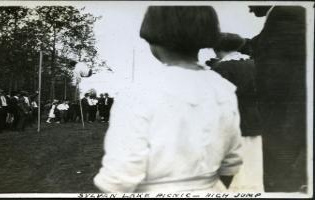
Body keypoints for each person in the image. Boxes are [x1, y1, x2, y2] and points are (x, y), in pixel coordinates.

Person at [94, 6, 242, 193]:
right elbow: (231, 163)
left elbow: (118, 177)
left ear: (153, 39)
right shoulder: (223, 88)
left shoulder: (138, 93)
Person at [244, 6, 306, 192]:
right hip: (285, 107)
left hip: (283, 110)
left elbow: (280, 65)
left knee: (282, 168)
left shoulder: (287, 14)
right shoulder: (282, 17)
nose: (249, 8)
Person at [210, 32, 264, 192]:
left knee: (234, 164)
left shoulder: (220, 68)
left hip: (233, 120)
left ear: (216, 49)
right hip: (254, 118)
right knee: (252, 160)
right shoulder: (254, 63)